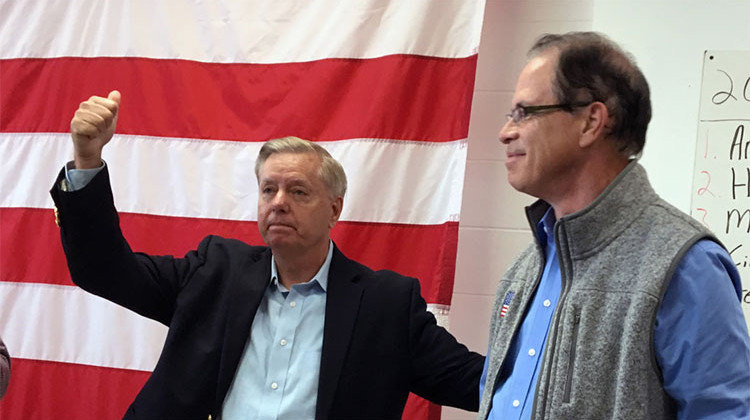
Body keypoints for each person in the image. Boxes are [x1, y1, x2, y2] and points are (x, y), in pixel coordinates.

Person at [50, 91, 484, 419]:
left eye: (298, 191)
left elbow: (477, 382)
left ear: (335, 208)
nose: (278, 202)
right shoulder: (214, 271)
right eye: (268, 189)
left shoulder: (386, 304)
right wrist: (87, 159)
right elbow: (104, 271)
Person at [478, 31, 750, 420]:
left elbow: (723, 412)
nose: (506, 132)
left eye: (525, 113)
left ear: (591, 121)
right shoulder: (524, 271)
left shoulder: (684, 266)